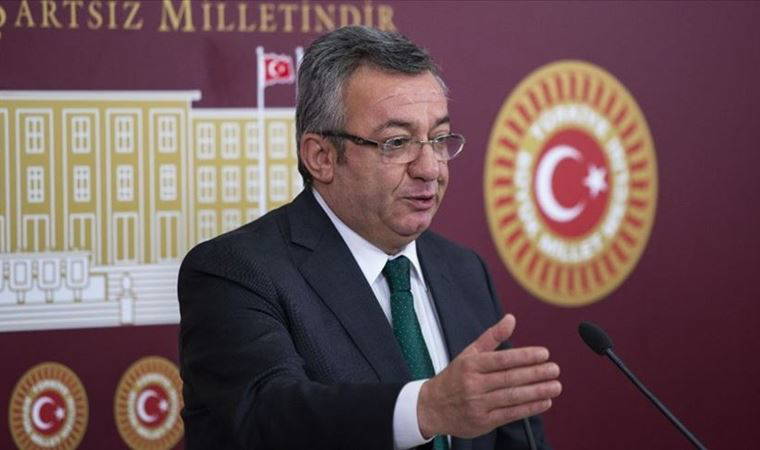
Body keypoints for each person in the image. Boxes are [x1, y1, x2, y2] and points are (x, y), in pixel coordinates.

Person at [178, 26, 561, 450]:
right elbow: (267, 417)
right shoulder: (235, 272)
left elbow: (516, 437)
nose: (430, 168)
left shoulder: (464, 270)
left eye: (438, 139)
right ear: (321, 157)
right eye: (396, 142)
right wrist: (425, 409)